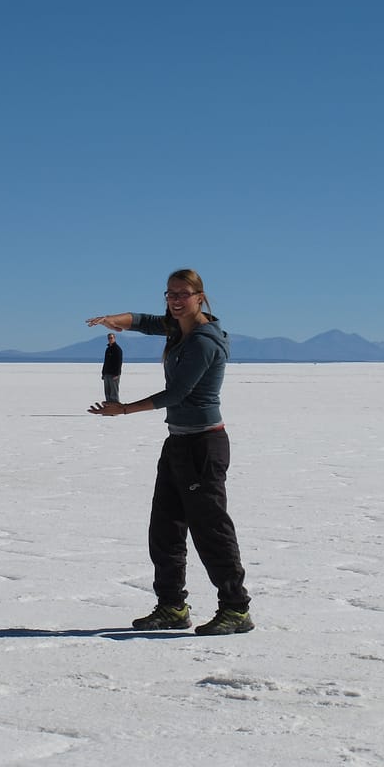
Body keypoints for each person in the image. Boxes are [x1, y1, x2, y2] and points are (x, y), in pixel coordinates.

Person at [86, 268, 252, 636]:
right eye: (170, 294)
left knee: (210, 529)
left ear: (200, 297)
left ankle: (236, 608)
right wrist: (114, 319)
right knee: (165, 529)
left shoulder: (204, 342)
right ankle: (172, 606)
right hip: (178, 442)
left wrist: (124, 409)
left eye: (183, 294)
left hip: (203, 445)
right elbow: (147, 322)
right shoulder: (179, 328)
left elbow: (177, 394)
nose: (175, 301)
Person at [101, 332, 123, 403]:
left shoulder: (117, 349)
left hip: (114, 375)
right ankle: (109, 407)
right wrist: (103, 373)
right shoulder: (108, 349)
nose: (110, 339)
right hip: (107, 374)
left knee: (114, 393)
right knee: (107, 392)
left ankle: (115, 407)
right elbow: (105, 362)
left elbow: (119, 362)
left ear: (114, 338)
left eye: (111, 338)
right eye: (109, 338)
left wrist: (117, 374)